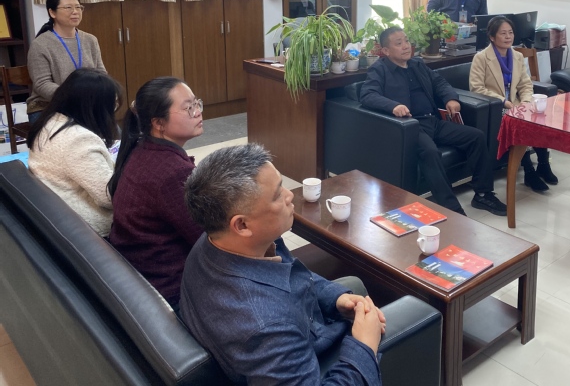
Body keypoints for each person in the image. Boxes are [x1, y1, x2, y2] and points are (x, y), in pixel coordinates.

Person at [180, 143, 384, 386]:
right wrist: (363, 345)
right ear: (242, 225)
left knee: (352, 285)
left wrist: (335, 298)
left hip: (300, 332)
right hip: (312, 361)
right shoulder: (266, 327)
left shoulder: (218, 239)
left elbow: (290, 275)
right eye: (277, 194)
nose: (290, 195)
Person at [360, 26, 506, 216]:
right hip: (410, 127)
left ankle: (483, 194)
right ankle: (452, 209)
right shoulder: (379, 70)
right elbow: (367, 95)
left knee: (476, 137)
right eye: (399, 43)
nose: (406, 46)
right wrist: (393, 106)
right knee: (430, 152)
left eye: (406, 41)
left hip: (433, 121)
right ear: (386, 51)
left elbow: (439, 83)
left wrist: (450, 98)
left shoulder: (417, 64)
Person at [108, 77, 205, 308]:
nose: (198, 112)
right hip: (172, 290)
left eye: (197, 103)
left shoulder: (141, 149)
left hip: (143, 275)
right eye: (188, 108)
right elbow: (207, 237)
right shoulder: (173, 172)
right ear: (159, 123)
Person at [27, 68, 123, 237]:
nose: (114, 111)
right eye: (111, 104)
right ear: (95, 107)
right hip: (88, 229)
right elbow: (110, 197)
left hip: (55, 212)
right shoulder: (79, 139)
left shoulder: (50, 122)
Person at [469, 16, 558, 192]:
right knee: (518, 124)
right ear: (492, 37)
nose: (508, 36)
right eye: (503, 33)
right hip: (496, 107)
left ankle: (543, 164)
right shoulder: (481, 58)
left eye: (510, 32)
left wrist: (525, 102)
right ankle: (529, 171)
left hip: (517, 103)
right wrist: (503, 101)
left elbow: (525, 84)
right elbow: (476, 88)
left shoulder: (517, 56)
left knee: (539, 119)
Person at [27, 0, 106, 124]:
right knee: (77, 133)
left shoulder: (90, 40)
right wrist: (72, 97)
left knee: (113, 132)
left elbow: (101, 73)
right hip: (48, 107)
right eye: (68, 7)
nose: (75, 12)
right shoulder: (40, 44)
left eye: (78, 7)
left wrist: (105, 91)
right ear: (52, 13)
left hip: (86, 105)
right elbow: (42, 84)